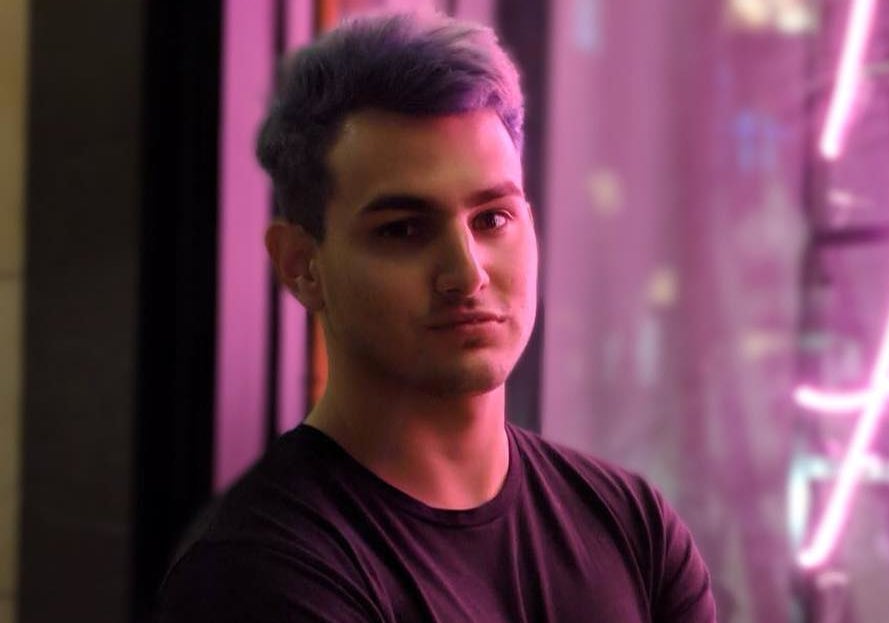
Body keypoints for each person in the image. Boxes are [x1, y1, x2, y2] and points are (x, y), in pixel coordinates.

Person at [153, 10, 721, 623]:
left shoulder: (634, 529)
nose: (466, 272)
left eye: (492, 219)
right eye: (404, 229)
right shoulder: (259, 572)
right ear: (301, 266)